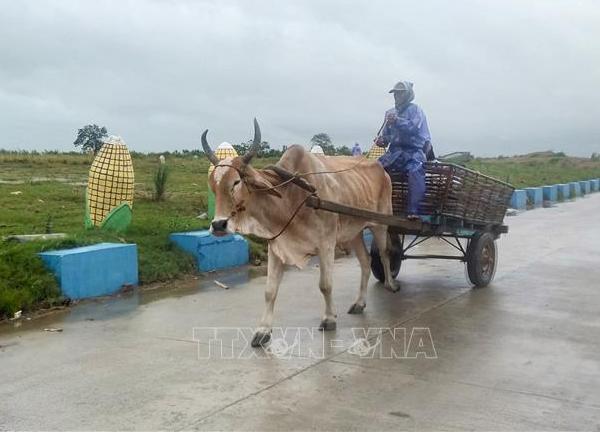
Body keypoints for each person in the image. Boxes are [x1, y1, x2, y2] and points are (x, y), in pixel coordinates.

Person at [375, 81, 432, 219]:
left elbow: (413, 128)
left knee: (415, 171)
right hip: (394, 153)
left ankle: (413, 211)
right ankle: (374, 205)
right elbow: (387, 136)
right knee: (375, 168)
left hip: (414, 152)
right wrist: (382, 141)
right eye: (395, 93)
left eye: (400, 93)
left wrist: (397, 121)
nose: (397, 96)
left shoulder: (416, 111)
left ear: (408, 94)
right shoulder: (390, 113)